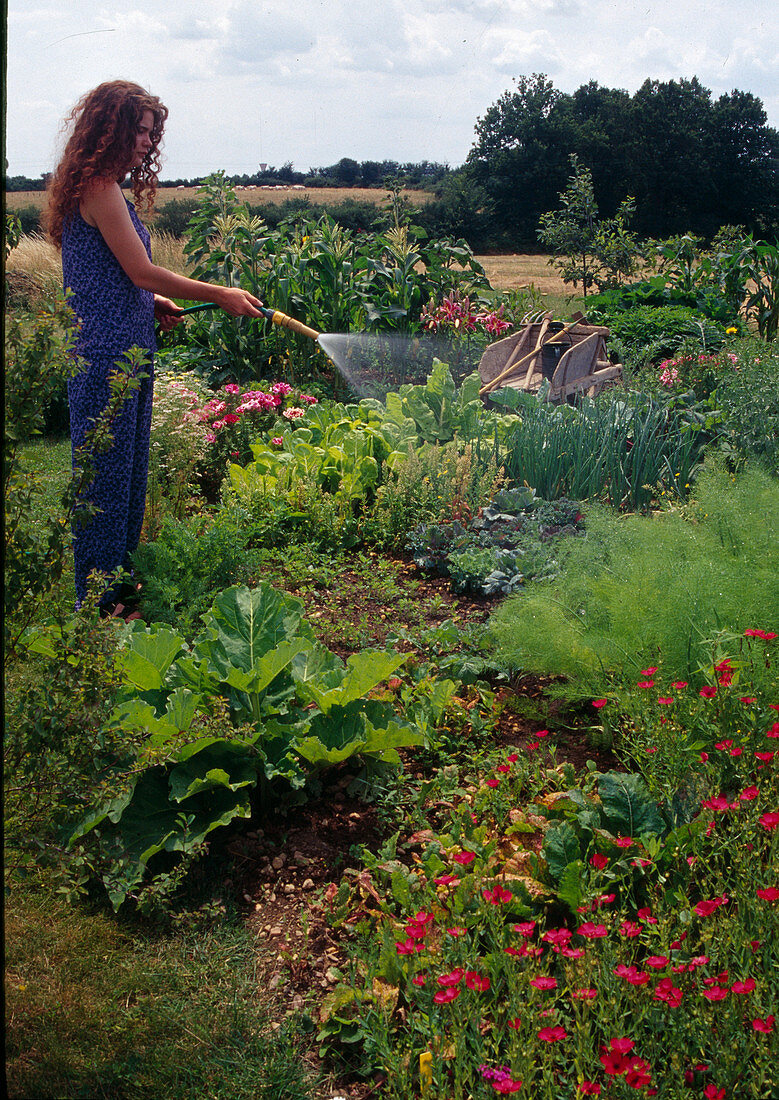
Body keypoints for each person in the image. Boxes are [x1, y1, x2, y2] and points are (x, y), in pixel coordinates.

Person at [45, 80, 263, 618]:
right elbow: (139, 269)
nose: (146, 142)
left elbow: (122, 277)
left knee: (125, 476)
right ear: (110, 129)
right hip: (105, 355)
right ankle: (97, 606)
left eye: (150, 132)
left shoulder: (97, 185)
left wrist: (153, 303)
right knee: (105, 481)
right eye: (137, 130)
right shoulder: (99, 187)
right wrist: (220, 293)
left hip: (126, 345)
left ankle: (116, 591)